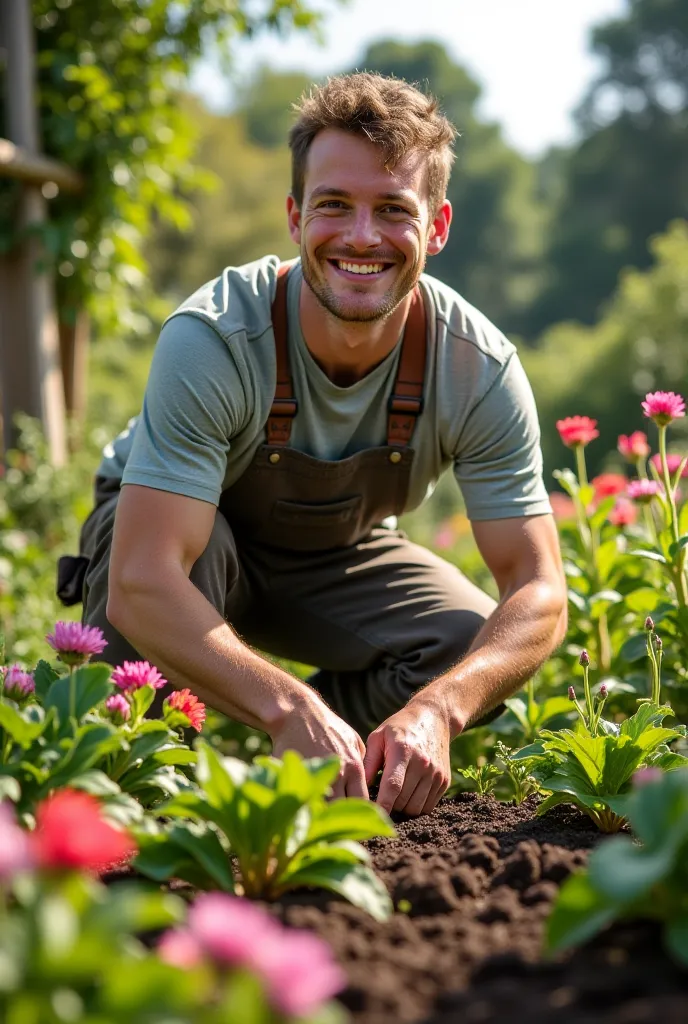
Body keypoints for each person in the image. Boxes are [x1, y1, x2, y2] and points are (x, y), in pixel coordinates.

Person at [61, 72, 567, 818]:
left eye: (393, 209)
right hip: (178, 548)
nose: (361, 236)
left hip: (335, 555)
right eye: (334, 205)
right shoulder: (214, 339)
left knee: (466, 642)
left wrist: (440, 710)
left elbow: (539, 587)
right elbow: (143, 579)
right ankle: (149, 799)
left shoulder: (476, 367)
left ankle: (340, 766)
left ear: (438, 226)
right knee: (174, 590)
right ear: (296, 215)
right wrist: (282, 705)